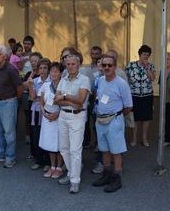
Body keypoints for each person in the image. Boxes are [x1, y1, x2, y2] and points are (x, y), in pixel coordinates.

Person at [92, 54, 133, 193]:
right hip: (100, 120)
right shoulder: (100, 80)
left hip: (114, 121)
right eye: (104, 65)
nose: (107, 67)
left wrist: (116, 117)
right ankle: (107, 175)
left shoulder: (121, 83)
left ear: (115, 66)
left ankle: (117, 179)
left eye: (110, 65)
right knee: (104, 150)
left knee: (116, 151)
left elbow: (128, 106)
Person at [54, 53, 90, 194]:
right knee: (63, 148)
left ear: (78, 64)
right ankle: (71, 172)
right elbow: (56, 99)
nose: (70, 67)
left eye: (73, 64)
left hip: (77, 117)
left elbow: (81, 100)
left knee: (75, 149)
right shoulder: (63, 79)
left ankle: (75, 180)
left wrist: (64, 96)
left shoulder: (84, 79)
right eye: (68, 64)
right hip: (63, 115)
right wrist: (69, 100)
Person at [0, 45, 22, 168]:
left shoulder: (11, 69)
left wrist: (14, 100)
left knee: (9, 132)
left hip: (8, 103)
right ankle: (0, 153)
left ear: (5, 56)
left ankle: (10, 157)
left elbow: (19, 87)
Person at [125, 45, 155, 147]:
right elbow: (125, 79)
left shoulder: (151, 66)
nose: (145, 57)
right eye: (144, 54)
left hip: (147, 95)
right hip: (134, 95)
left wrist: (147, 67)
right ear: (139, 54)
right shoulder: (131, 66)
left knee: (146, 118)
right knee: (135, 118)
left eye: (147, 55)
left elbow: (152, 78)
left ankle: (144, 138)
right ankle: (134, 139)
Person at [39, 62, 65, 179]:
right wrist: (43, 111)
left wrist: (57, 114)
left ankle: (59, 167)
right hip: (47, 117)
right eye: (52, 71)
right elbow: (41, 100)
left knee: (59, 143)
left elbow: (66, 104)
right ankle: (52, 166)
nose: (54, 73)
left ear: (60, 73)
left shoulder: (64, 86)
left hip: (59, 118)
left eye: (56, 71)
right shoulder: (46, 85)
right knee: (49, 143)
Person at [27, 58, 50, 170]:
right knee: (36, 136)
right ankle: (38, 160)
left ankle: (48, 162)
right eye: (40, 68)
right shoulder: (35, 81)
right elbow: (32, 97)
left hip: (49, 111)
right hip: (36, 111)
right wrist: (31, 85)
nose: (42, 70)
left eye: (45, 68)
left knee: (47, 136)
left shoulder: (52, 81)